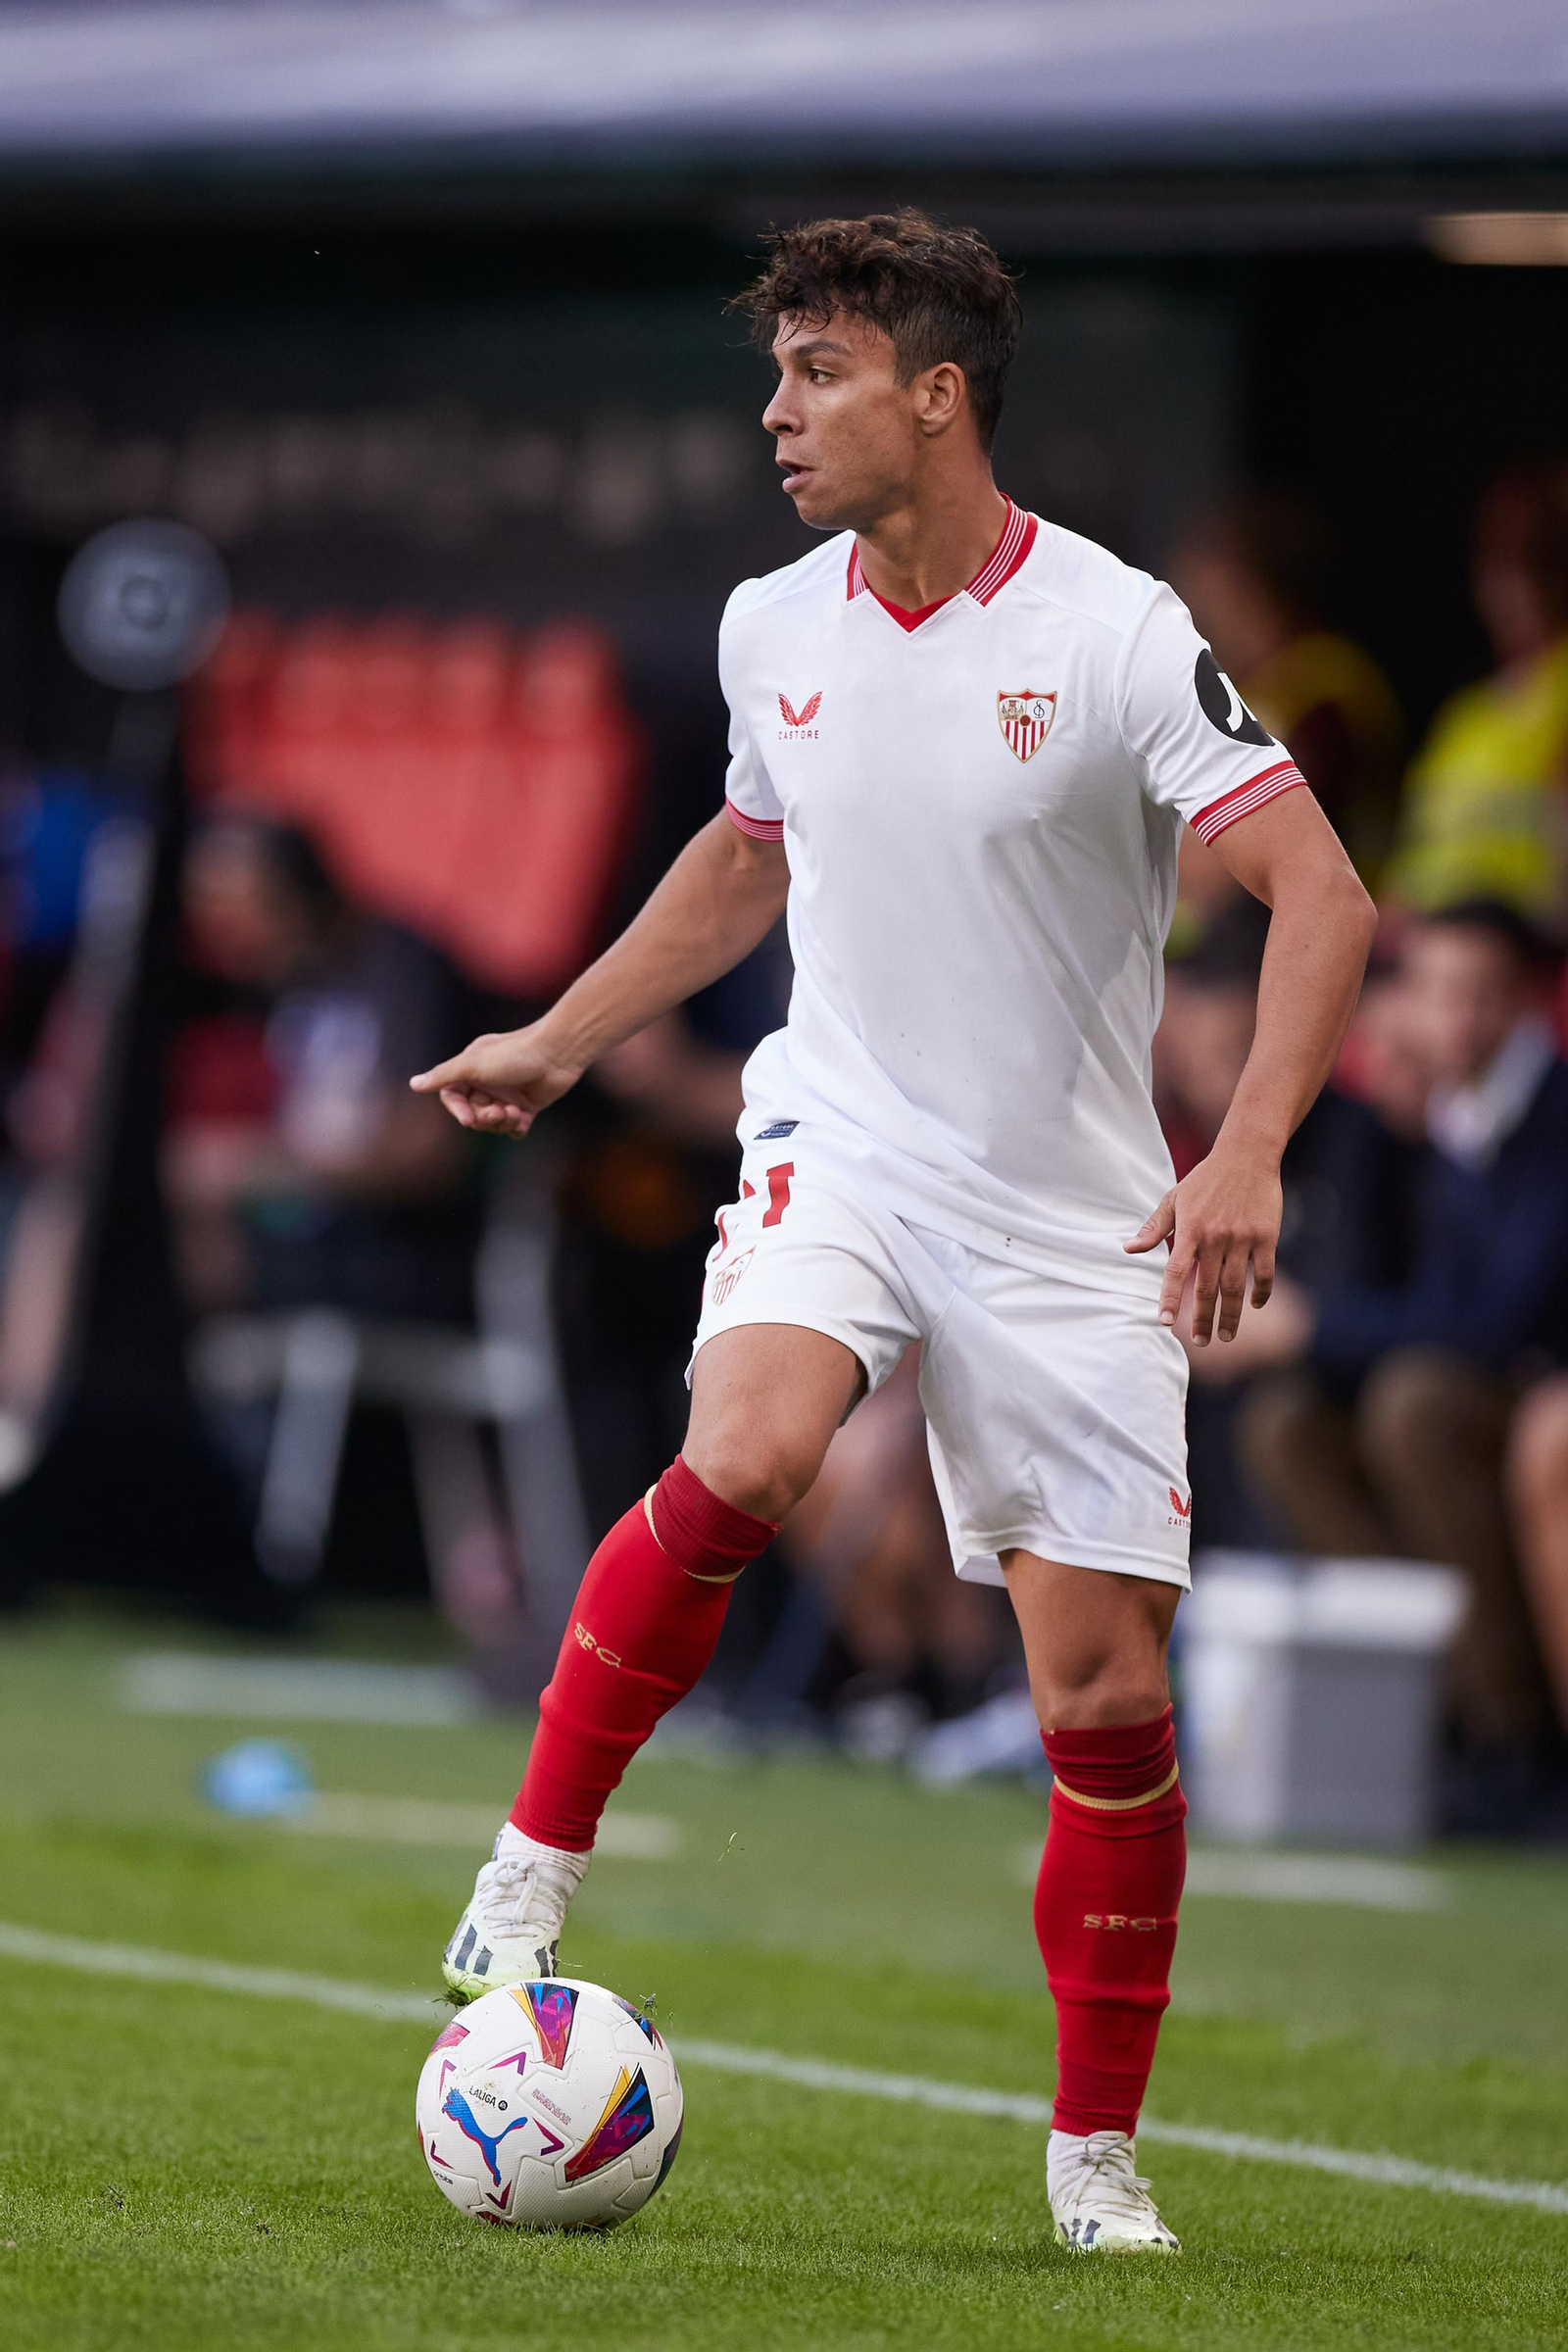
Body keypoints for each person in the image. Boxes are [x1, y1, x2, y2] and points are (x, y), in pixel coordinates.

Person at [412, 211, 1375, 2255]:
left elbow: (1324, 898)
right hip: (837, 1143)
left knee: (1101, 1702)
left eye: (818, 375)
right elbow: (746, 856)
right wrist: (566, 1040)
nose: (776, 415)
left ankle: (1088, 2156)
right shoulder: (776, 624)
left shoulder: (1113, 633)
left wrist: (1246, 1153)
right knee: (749, 1452)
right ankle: (534, 1849)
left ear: (934, 398)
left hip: (1069, 1211)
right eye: (775, 375)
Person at [1209, 901, 1568, 1780]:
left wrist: (1309, 1328)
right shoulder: (1438, 1109)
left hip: (1520, 1384)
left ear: (1524, 999)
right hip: (1464, 1378)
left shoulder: (1547, 1113)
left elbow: (1493, 1323)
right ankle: (1435, 1711)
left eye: (1479, 993)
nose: (1455, 1016)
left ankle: (1513, 1734)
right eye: (1436, 990)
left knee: (1416, 1407)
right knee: (1286, 1426)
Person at [1172, 493, 1403, 890]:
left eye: (1204, 586)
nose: (1192, 607)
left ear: (1243, 582)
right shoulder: (1238, 685)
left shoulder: (1325, 683)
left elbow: (1273, 836)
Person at [1384, 464, 1568, 925]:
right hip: (1432, 950)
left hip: (1527, 952)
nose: (1510, 588)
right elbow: (1413, 862)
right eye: (1497, 565)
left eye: (1537, 563)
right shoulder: (1465, 716)